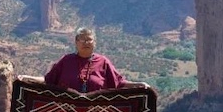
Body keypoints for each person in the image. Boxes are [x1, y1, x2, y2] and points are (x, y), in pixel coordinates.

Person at [18, 27, 149, 92]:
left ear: (94, 42)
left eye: (89, 39)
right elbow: (48, 81)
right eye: (82, 39)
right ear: (76, 42)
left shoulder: (103, 62)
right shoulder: (66, 61)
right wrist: (27, 78)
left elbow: (118, 83)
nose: (86, 42)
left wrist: (138, 84)